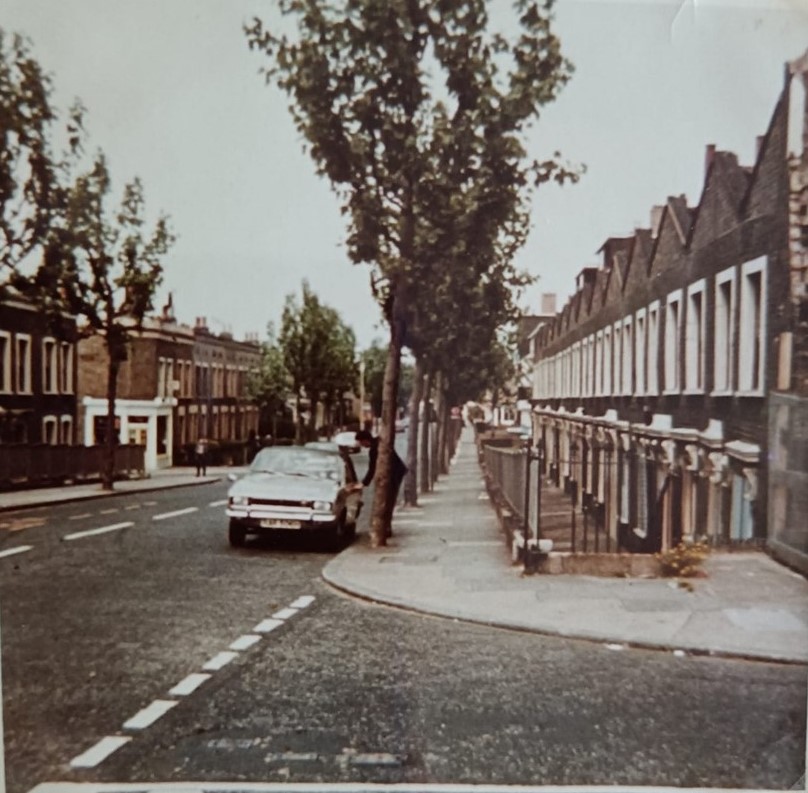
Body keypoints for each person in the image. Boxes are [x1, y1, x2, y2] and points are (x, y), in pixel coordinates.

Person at [355, 429, 408, 534]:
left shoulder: (375, 449)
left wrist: (363, 483)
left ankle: (385, 528)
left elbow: (372, 468)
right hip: (396, 473)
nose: (361, 445)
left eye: (361, 442)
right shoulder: (379, 442)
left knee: (388, 500)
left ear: (365, 440)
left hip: (393, 474)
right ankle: (386, 527)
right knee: (389, 500)